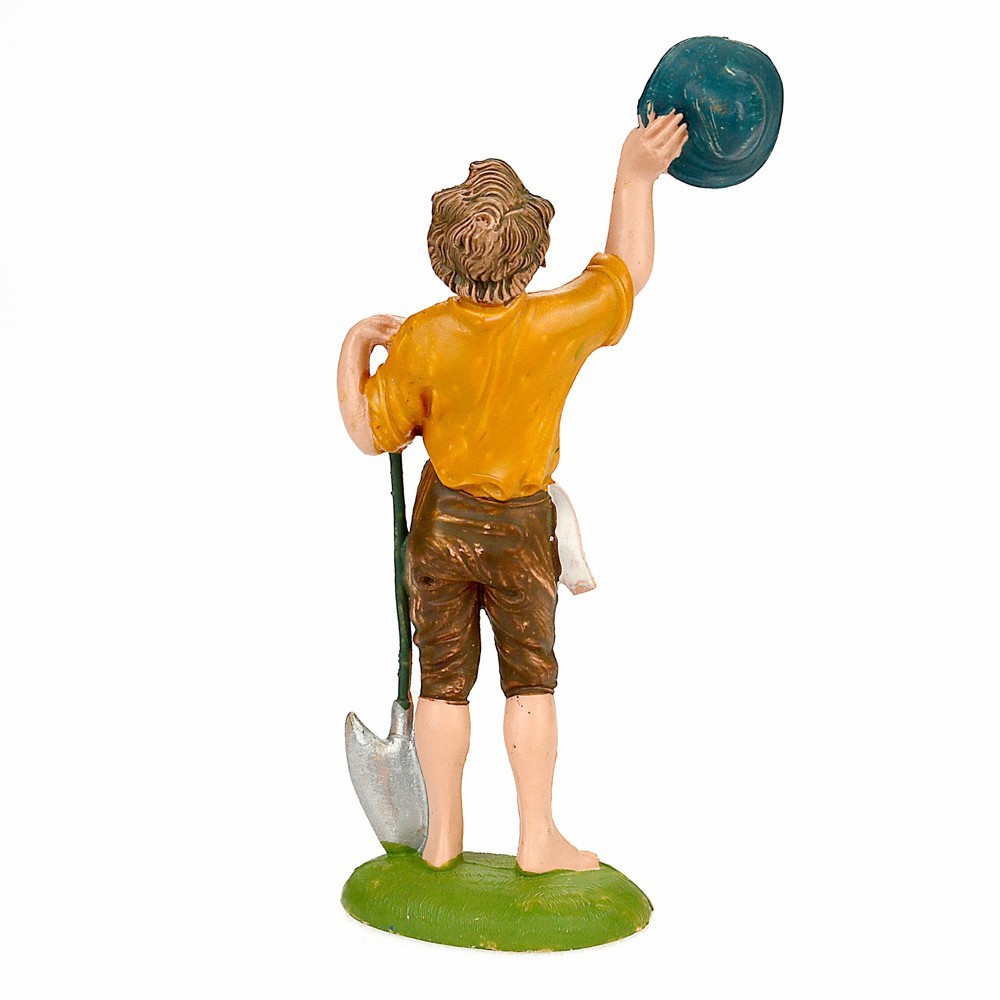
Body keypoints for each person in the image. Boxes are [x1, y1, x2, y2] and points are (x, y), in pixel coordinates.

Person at [338, 110, 687, 873]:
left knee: (442, 683)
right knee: (530, 681)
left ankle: (442, 840)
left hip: (442, 527)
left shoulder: (422, 336)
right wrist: (635, 177)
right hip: (521, 532)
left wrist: (356, 347)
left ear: (442, 249)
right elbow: (627, 269)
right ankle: (536, 838)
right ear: (533, 248)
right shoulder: (557, 321)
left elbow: (370, 433)